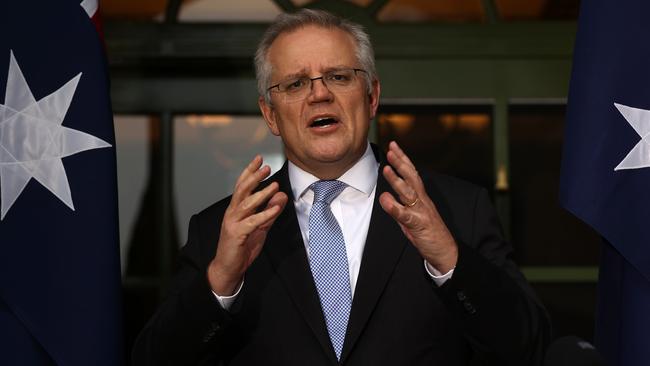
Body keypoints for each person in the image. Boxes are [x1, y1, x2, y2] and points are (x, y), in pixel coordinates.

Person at [132, 9, 550, 366]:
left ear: (370, 98)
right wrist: (222, 279)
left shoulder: (458, 208)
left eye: (338, 76)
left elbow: (529, 348)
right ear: (271, 115)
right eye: (295, 84)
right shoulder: (219, 230)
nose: (319, 94)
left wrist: (449, 260)